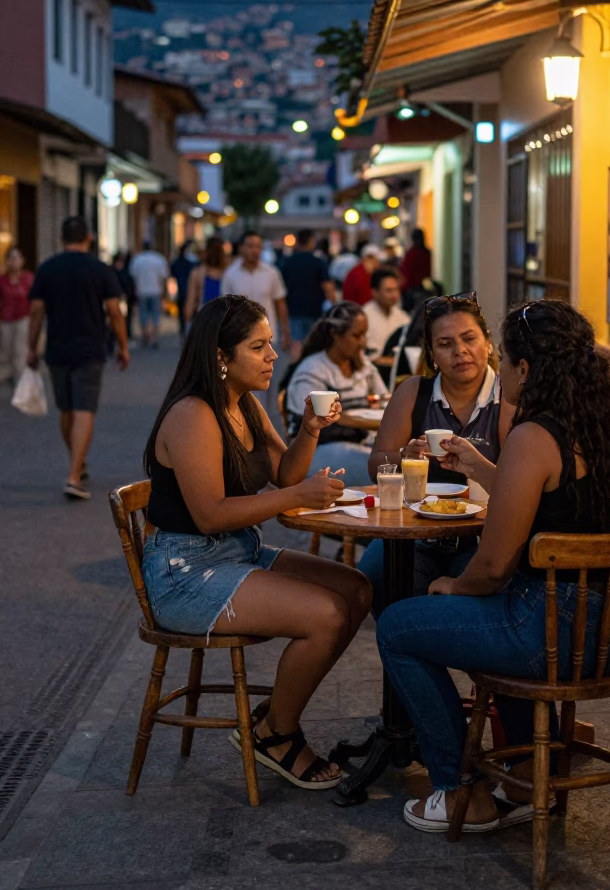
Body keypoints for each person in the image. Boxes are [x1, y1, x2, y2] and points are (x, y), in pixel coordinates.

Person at [376, 299, 610, 834]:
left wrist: (451, 585)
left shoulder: (533, 436)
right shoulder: (600, 428)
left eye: (504, 358)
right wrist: (482, 467)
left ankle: (463, 793)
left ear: (525, 369)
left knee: (398, 626)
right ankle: (530, 775)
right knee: (489, 613)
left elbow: (495, 565)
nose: (497, 366)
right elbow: (544, 497)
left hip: (550, 632)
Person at [141, 294, 372, 789]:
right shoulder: (193, 415)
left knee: (356, 589)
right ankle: (277, 735)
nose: (273, 356)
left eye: (270, 345)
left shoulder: (243, 403)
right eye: (259, 347)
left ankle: (272, 716)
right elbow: (209, 515)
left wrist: (309, 429)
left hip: (237, 551)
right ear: (222, 357)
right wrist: (297, 494)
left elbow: (284, 471)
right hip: (185, 571)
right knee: (326, 614)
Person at [360, 293, 514, 613]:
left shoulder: (507, 396)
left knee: (483, 602)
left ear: (487, 343)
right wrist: (404, 455)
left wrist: (477, 463)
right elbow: (375, 464)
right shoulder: (414, 392)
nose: (460, 351)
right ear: (432, 355)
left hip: (481, 538)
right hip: (414, 534)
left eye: (469, 338)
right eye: (445, 344)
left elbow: (517, 483)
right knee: (379, 579)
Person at [27, 215, 130, 500]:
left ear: (62, 239)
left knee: (66, 410)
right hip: (89, 349)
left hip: (57, 349)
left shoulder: (48, 268)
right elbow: (114, 312)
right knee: (84, 409)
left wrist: (31, 347)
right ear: (89, 238)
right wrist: (123, 346)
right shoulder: (100, 269)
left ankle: (78, 463)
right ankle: (74, 475)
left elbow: (36, 311)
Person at [285, 302, 386, 487]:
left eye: (364, 334)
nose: (363, 342)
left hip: (360, 443)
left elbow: (385, 399)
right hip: (318, 450)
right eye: (356, 336)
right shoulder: (313, 371)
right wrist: (362, 421)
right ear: (336, 335)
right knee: (387, 468)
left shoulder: (363, 366)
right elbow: (316, 421)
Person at [222, 231, 291, 353]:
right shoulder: (230, 274)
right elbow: (225, 307)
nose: (255, 250)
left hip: (268, 335)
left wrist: (286, 332)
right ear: (241, 248)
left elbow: (280, 303)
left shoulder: (271, 273)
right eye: (250, 246)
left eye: (258, 246)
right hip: (241, 336)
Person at [281, 229, 336, 345]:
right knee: (313, 346)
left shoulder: (287, 262)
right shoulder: (319, 262)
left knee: (296, 345)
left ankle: (295, 363)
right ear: (311, 241)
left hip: (293, 311)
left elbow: (281, 290)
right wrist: (336, 306)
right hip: (314, 311)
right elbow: (328, 287)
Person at [0, 245, 34, 385]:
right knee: (5, 353)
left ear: (22, 260)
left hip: (23, 319)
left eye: (17, 257)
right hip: (5, 321)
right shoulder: (2, 280)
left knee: (20, 353)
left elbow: (35, 301)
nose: (14, 261)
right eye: (11, 258)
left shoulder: (28, 279)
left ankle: (21, 384)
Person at [362, 266, 409, 360]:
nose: (394, 295)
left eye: (396, 290)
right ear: (374, 292)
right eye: (389, 290)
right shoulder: (364, 316)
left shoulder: (403, 316)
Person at [130, 241, 169, 348]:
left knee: (143, 315)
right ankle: (154, 337)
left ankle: (145, 336)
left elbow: (133, 277)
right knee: (155, 315)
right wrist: (165, 292)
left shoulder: (137, 259)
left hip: (141, 290)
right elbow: (163, 277)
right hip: (156, 290)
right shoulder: (158, 259)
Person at [184, 237, 226, 324]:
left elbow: (191, 299)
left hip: (209, 319)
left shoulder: (198, 272)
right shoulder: (228, 272)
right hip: (216, 319)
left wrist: (187, 318)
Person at [171, 242, 198, 338]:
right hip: (188, 291)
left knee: (182, 315)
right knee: (191, 314)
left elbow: (172, 277)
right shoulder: (191, 264)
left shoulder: (176, 263)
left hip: (181, 292)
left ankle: (183, 332)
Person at [110, 251, 136, 347]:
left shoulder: (111, 272)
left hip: (121, 299)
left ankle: (117, 339)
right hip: (122, 299)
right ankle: (122, 338)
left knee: (119, 319)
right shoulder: (125, 273)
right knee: (122, 319)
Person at [400, 228, 432, 298]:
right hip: (423, 287)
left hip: (411, 288)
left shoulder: (410, 253)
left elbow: (405, 271)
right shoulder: (426, 253)